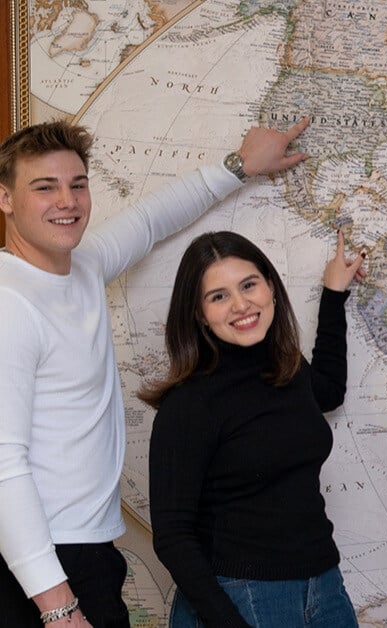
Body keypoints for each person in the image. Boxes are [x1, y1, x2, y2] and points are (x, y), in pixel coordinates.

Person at [0, 118, 309, 627]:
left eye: (78, 185)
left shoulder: (84, 266)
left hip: (88, 551)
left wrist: (240, 166)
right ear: (7, 199)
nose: (67, 201)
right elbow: (4, 463)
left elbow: (147, 221)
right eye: (44, 187)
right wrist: (56, 606)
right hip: (44, 564)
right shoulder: (11, 304)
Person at [142, 229, 364, 627]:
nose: (241, 304)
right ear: (199, 314)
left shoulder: (287, 368)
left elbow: (328, 392)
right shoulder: (190, 404)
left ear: (271, 287)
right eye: (219, 296)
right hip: (242, 593)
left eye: (249, 285)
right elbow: (172, 535)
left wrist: (334, 294)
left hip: (324, 583)